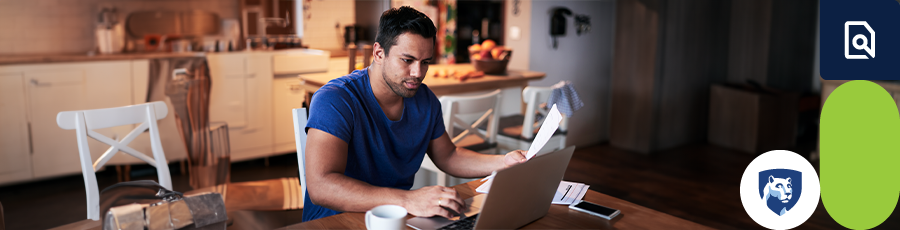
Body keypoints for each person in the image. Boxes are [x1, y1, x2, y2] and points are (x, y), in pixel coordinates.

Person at [302, 6, 527, 222]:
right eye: (407, 60)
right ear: (379, 53)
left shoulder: (425, 99)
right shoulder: (335, 99)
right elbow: (321, 186)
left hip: (397, 217)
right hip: (336, 222)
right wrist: (408, 200)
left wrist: (504, 162)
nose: (417, 73)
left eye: (425, 62)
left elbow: (448, 156)